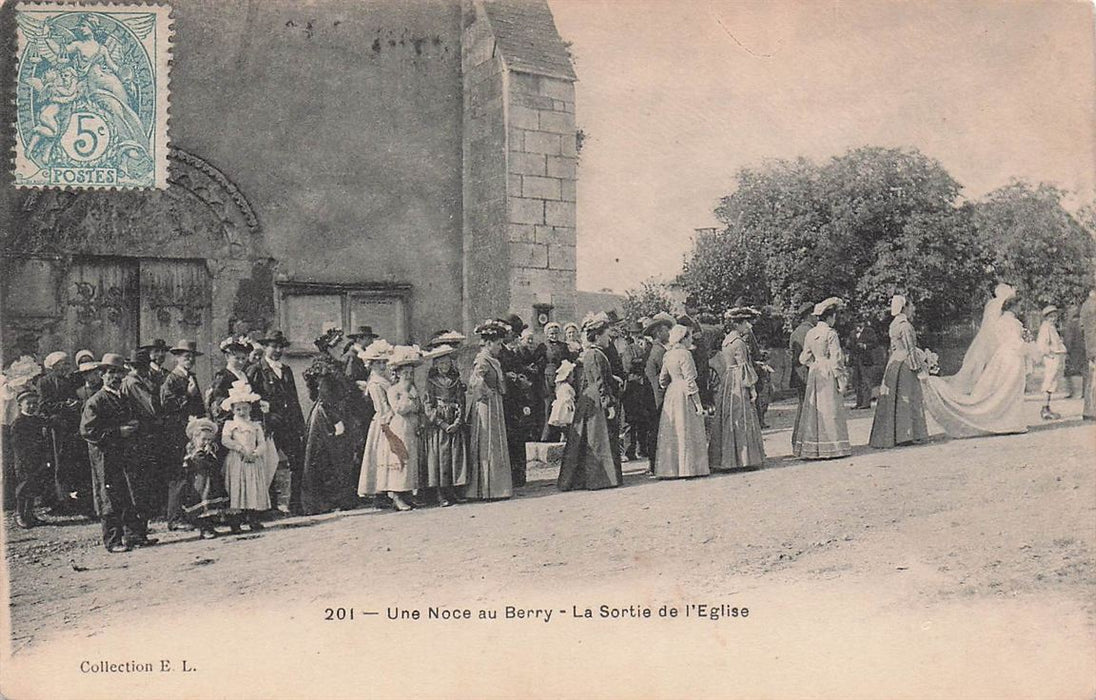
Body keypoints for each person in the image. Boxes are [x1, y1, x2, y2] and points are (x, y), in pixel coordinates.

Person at [921, 286, 1033, 437]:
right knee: (1008, 391)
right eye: (1019, 305)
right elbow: (1014, 343)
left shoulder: (1002, 321)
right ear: (1012, 306)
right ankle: (1009, 422)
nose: (1021, 309)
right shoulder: (1011, 323)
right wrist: (1030, 346)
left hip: (1003, 358)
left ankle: (1010, 421)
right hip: (1011, 359)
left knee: (1003, 392)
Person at [80, 353, 154, 553]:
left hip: (126, 453)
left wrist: (135, 427)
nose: (116, 377)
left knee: (130, 493)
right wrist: (117, 432)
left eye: (119, 373)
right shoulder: (96, 401)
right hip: (105, 455)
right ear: (102, 375)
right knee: (109, 496)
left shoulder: (124, 397)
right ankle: (112, 541)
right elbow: (88, 431)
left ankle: (134, 536)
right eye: (111, 373)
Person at [558, 313, 623, 490]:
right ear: (598, 336)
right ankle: (597, 478)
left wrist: (613, 378)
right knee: (596, 438)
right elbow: (598, 380)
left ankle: (595, 477)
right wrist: (607, 403)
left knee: (594, 438)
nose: (609, 339)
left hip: (593, 398)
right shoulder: (594, 354)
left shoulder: (596, 353)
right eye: (606, 336)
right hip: (595, 401)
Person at [248, 330, 306, 514]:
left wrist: (300, 424)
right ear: (265, 347)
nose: (277, 350)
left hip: (289, 425)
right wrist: (264, 417)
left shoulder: (286, 370)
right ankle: (269, 506)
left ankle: (295, 503)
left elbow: (294, 399)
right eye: (273, 346)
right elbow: (249, 399)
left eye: (280, 347)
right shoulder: (257, 369)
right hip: (269, 425)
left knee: (298, 461)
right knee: (269, 464)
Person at [792, 298, 852, 459]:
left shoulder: (811, 333)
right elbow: (837, 359)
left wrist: (814, 364)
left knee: (814, 410)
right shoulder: (831, 334)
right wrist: (841, 380)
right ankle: (833, 446)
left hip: (815, 372)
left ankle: (814, 447)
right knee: (830, 408)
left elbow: (803, 358)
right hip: (827, 371)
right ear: (830, 317)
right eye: (834, 316)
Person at [869, 295, 929, 448]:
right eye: (911, 307)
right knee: (908, 398)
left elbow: (893, 348)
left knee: (894, 400)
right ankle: (906, 434)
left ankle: (895, 434)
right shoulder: (905, 326)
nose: (912, 309)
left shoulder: (893, 325)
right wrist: (919, 367)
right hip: (905, 365)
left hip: (894, 363)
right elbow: (910, 349)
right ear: (905, 308)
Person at [709, 308, 765, 471]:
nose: (747, 325)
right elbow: (743, 366)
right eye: (744, 322)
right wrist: (752, 387)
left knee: (728, 416)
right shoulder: (739, 342)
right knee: (742, 416)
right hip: (738, 380)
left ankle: (727, 458)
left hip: (728, 379)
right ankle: (743, 459)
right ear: (737, 324)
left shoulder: (726, 340)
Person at [160, 340, 207, 530]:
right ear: (177, 358)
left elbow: (199, 404)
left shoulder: (191, 377)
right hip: (177, 432)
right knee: (178, 474)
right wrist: (187, 395)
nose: (189, 359)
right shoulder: (172, 379)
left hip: (192, 432)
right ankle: (174, 518)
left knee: (189, 473)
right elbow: (166, 404)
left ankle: (187, 513)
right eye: (185, 356)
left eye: (191, 357)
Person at [653, 324, 710, 479]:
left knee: (673, 429)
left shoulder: (668, 354)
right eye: (689, 336)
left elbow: (662, 379)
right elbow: (690, 380)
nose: (691, 339)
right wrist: (698, 404)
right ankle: (689, 468)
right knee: (687, 428)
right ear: (683, 338)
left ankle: (671, 468)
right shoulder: (685, 354)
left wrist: (671, 386)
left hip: (672, 393)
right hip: (684, 392)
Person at [465, 321, 513, 500]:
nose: (500, 347)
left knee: (496, 442)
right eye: (499, 344)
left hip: (495, 404)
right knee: (488, 442)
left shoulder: (493, 360)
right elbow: (475, 381)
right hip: (486, 405)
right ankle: (485, 488)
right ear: (488, 343)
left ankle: (497, 487)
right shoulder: (482, 359)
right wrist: (487, 392)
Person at [220, 380, 278, 531]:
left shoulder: (255, 425)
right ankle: (235, 522)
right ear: (232, 410)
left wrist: (255, 453)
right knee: (237, 487)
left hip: (253, 460)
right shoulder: (230, 425)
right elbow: (225, 440)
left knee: (253, 487)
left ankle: (253, 518)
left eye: (245, 408)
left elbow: (262, 443)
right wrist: (239, 448)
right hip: (237, 460)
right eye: (238, 409)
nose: (242, 412)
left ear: (250, 408)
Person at [300, 367, 358, 515]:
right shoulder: (326, 382)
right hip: (324, 419)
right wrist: (336, 420)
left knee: (327, 458)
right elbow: (326, 400)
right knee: (326, 457)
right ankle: (326, 501)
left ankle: (330, 500)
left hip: (323, 417)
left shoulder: (327, 381)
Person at [120, 348, 167, 522]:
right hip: (141, 433)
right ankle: (142, 517)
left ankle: (143, 516)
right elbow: (152, 408)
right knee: (141, 477)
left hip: (141, 432)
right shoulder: (134, 383)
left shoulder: (133, 380)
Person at [356, 339, 404, 507]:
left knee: (388, 457)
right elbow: (382, 407)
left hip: (389, 419)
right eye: (378, 363)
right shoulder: (375, 383)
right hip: (384, 422)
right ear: (371, 364)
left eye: (384, 362)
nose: (382, 366)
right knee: (384, 456)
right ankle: (383, 494)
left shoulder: (384, 379)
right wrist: (394, 417)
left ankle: (385, 494)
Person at [36, 351, 83, 513]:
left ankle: (69, 499)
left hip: (70, 426)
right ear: (54, 366)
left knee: (69, 462)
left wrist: (75, 403)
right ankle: (59, 500)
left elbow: (73, 398)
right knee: (58, 462)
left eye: (67, 364)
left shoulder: (69, 381)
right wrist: (64, 405)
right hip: (56, 428)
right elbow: (43, 405)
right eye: (63, 364)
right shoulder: (44, 382)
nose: (66, 367)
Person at [378, 346, 424, 511]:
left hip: (411, 426)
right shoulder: (394, 390)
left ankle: (408, 494)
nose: (408, 376)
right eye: (405, 373)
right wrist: (408, 399)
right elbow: (399, 409)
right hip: (399, 426)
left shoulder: (413, 389)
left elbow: (418, 407)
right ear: (398, 374)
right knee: (400, 458)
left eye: (411, 373)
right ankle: (397, 496)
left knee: (411, 459)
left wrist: (414, 404)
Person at [422, 344, 468, 507]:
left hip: (453, 419)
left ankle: (453, 491)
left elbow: (461, 400)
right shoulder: (431, 382)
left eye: (447, 364)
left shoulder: (455, 380)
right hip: (439, 424)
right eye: (441, 364)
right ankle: (441, 494)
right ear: (435, 365)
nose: (444, 367)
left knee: (454, 457)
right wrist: (440, 423)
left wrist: (458, 421)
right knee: (441, 458)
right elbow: (428, 404)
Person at [498, 315, 538, 488]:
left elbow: (518, 367)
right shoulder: (498, 350)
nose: (515, 336)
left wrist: (523, 376)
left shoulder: (511, 350)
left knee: (517, 435)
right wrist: (514, 378)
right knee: (510, 436)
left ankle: (519, 474)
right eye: (514, 332)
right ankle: (511, 475)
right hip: (506, 398)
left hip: (516, 398)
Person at [177, 416, 230, 539]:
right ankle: (204, 529)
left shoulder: (211, 450)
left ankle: (211, 527)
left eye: (209, 440)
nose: (206, 442)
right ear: (195, 438)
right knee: (202, 505)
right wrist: (207, 454)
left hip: (212, 482)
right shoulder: (194, 452)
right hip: (200, 483)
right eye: (203, 439)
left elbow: (216, 463)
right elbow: (202, 464)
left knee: (212, 505)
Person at [11, 389, 51, 528]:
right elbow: (18, 445)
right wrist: (25, 460)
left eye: (35, 403)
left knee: (34, 486)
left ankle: (30, 514)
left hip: (37, 460)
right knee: (24, 487)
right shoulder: (18, 422)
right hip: (24, 461)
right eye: (29, 404)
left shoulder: (38, 420)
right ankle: (20, 514)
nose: (32, 406)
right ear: (20, 405)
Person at [642, 312, 675, 471]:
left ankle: (654, 463)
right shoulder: (659, 352)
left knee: (654, 430)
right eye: (665, 330)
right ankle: (656, 464)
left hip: (654, 396)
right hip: (659, 396)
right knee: (657, 430)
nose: (668, 333)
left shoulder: (655, 350)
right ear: (658, 333)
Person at [620, 321, 652, 459]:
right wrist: (642, 358)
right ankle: (629, 450)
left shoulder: (648, 346)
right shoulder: (629, 349)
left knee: (644, 419)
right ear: (631, 335)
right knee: (631, 420)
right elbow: (628, 366)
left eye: (640, 334)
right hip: (633, 386)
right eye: (635, 334)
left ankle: (642, 449)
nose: (638, 336)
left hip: (644, 385)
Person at [540, 322, 574, 441]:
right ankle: (547, 435)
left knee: (561, 404)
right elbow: (539, 361)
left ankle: (562, 433)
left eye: (555, 333)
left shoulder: (563, 346)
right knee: (549, 404)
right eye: (551, 333)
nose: (554, 336)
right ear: (547, 334)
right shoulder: (543, 346)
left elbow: (568, 360)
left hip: (561, 376)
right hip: (548, 377)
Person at [788, 302, 815, 449]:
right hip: (807, 372)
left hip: (797, 374)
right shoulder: (810, 332)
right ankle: (805, 439)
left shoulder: (795, 332)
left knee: (802, 406)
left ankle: (797, 439)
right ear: (810, 315)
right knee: (809, 407)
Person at [1036, 305, 1067, 420]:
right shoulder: (1045, 328)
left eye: (1055, 316)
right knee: (1049, 382)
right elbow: (1042, 345)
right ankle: (1044, 408)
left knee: (1052, 382)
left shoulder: (1051, 327)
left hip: (1055, 357)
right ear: (1046, 317)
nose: (1053, 319)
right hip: (1051, 358)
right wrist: (1051, 352)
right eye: (1051, 316)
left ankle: (1047, 407)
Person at [848, 318, 880, 410]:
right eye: (857, 322)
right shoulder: (852, 333)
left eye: (860, 322)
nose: (858, 324)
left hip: (866, 359)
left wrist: (865, 346)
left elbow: (875, 343)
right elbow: (849, 346)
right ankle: (859, 402)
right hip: (856, 360)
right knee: (857, 382)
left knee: (866, 381)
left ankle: (866, 403)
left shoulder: (869, 332)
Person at [1061, 304, 1085, 399]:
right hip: (1080, 350)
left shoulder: (1071, 324)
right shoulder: (1081, 322)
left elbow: (1068, 339)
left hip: (1073, 351)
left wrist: (1066, 348)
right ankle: (1079, 392)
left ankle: (1076, 392)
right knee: (1079, 371)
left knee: (1074, 371)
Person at [548, 359, 577, 433]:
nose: (573, 378)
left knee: (563, 423)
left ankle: (563, 435)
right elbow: (567, 398)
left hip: (561, 405)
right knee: (566, 421)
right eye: (572, 376)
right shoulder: (566, 387)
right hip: (565, 406)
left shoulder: (560, 387)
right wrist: (571, 405)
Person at [1082, 285, 1096, 420]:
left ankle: (1089, 410)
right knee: (1094, 381)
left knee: (1091, 380)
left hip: (1092, 348)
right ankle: (1091, 411)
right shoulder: (1092, 306)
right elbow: (1091, 332)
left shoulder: (1087, 305)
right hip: (1094, 348)